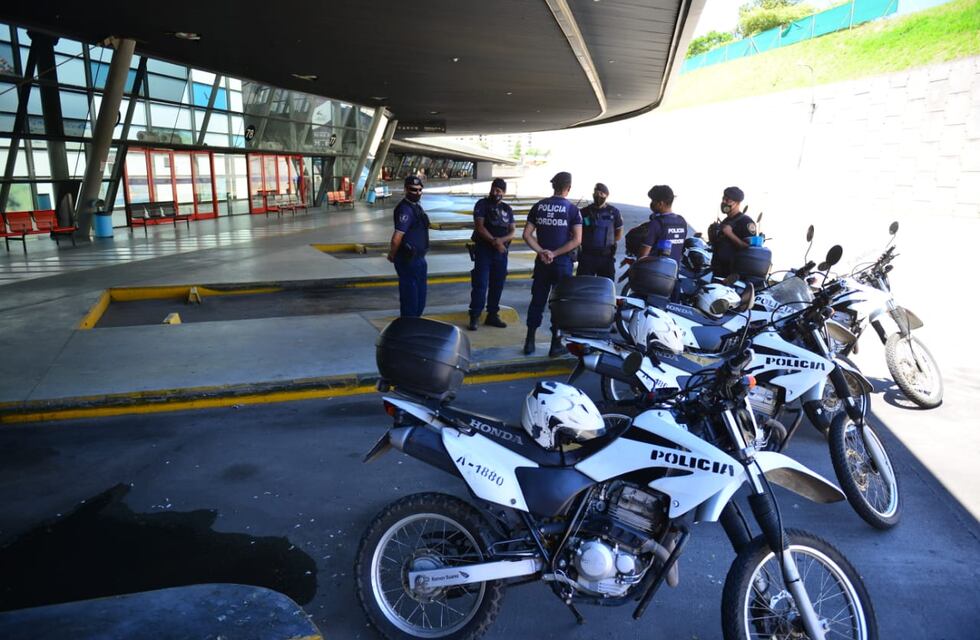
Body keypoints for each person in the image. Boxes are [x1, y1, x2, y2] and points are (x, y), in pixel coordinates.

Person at [522, 171, 582, 357]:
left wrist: (542, 252)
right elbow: (577, 240)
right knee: (560, 304)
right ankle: (555, 345)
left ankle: (529, 341)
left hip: (542, 263)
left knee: (537, 301)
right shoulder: (572, 210)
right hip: (562, 263)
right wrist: (554, 253)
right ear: (568, 188)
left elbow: (526, 234)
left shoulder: (539, 206)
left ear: (553, 186)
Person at [468, 178, 516, 330]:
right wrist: (495, 242)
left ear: (504, 193)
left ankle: (492, 315)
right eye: (494, 189)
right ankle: (474, 315)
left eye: (499, 191)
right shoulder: (482, 204)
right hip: (484, 251)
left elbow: (513, 231)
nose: (495, 193)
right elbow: (480, 227)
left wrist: (501, 242)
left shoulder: (507, 209)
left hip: (501, 253)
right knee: (480, 284)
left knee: (498, 285)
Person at [387, 176, 430, 317]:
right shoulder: (405, 209)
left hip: (419, 259)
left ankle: (414, 326)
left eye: (419, 190)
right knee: (410, 300)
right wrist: (392, 254)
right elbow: (396, 238)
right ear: (405, 189)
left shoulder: (417, 207)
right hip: (408, 259)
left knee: (420, 299)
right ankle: (408, 328)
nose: (417, 193)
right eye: (413, 190)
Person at [576, 182, 623, 280]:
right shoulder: (584, 212)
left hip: (606, 257)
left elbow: (618, 235)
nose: (598, 196)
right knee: (583, 287)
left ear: (606, 195)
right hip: (587, 256)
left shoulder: (614, 212)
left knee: (606, 288)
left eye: (601, 194)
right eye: (596, 193)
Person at [710, 186, 756, 278]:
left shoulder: (746, 222)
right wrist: (712, 235)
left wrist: (730, 234)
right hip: (718, 271)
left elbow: (750, 249)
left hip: (733, 275)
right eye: (723, 199)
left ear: (737, 203)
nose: (724, 202)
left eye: (728, 200)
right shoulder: (725, 221)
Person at [638, 185, 687, 263]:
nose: (651, 204)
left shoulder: (656, 223)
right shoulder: (682, 221)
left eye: (652, 200)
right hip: (673, 272)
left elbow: (643, 256)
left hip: (654, 272)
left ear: (660, 203)